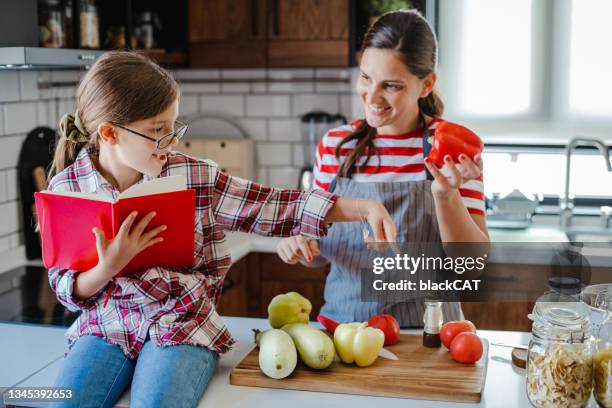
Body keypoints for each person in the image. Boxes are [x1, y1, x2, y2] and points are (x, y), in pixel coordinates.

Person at [46, 51, 396, 408]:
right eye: (157, 132)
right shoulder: (67, 190)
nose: (172, 143)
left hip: (182, 323)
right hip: (105, 326)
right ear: (109, 133)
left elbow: (272, 205)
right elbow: (65, 289)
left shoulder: (194, 176)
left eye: (173, 128)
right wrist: (108, 266)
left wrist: (360, 208)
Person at [276, 9, 490, 326]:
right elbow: (319, 250)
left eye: (391, 85)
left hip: (427, 337)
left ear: (427, 84)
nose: (372, 96)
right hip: (345, 331)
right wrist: (300, 246)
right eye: (365, 78)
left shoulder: (451, 148)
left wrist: (445, 195)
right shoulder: (336, 146)